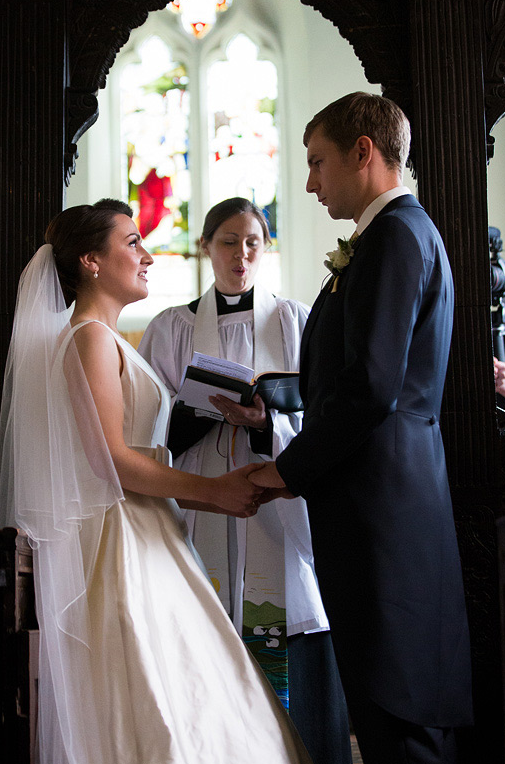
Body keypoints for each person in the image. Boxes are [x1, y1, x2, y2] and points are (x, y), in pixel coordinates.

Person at [0, 198, 313, 764]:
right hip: (123, 538)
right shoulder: (90, 337)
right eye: (133, 242)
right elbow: (111, 460)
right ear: (92, 261)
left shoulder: (109, 338)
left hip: (149, 528)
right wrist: (215, 493)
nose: (146, 255)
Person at [250, 93, 473, 764]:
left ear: (364, 152)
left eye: (318, 163)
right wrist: (279, 396)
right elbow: (370, 374)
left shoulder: (396, 237)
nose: (312, 182)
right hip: (383, 499)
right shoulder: (391, 237)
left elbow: (374, 386)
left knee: (399, 712)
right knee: (386, 707)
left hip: (384, 510)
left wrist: (285, 470)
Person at [138, 197, 352, 764]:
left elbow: (321, 416)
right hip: (201, 497)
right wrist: (197, 413)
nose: (241, 253)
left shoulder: (293, 319)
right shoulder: (172, 327)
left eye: (253, 241)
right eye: (228, 241)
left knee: (287, 608)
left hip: (276, 501)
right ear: (206, 247)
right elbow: (145, 425)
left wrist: (267, 421)